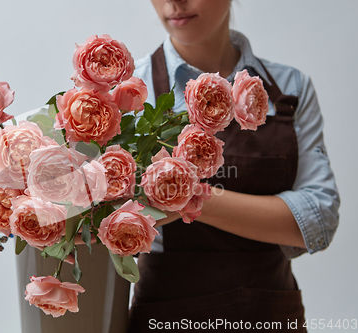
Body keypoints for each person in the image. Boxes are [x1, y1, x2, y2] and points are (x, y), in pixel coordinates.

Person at [128, 0, 340, 332]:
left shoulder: (290, 89)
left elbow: (317, 219)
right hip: (166, 320)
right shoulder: (126, 95)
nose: (174, 2)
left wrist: (192, 197)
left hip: (271, 317)